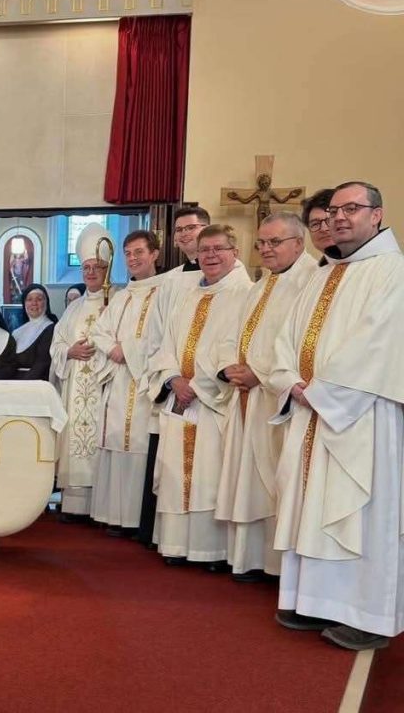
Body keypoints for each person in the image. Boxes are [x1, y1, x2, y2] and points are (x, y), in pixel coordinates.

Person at [270, 181, 404, 651]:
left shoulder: (392, 271)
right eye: (334, 210)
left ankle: (368, 614)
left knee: (360, 508)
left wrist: (323, 392)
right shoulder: (323, 273)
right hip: (312, 408)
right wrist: (289, 380)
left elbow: (378, 343)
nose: (340, 217)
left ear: (376, 214)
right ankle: (315, 600)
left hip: (362, 413)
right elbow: (286, 337)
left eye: (352, 208)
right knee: (312, 503)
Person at [215, 213, 317, 581]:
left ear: (298, 243)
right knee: (249, 477)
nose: (266, 249)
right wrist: (229, 367)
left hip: (278, 398)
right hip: (247, 396)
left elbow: (300, 343)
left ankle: (276, 565)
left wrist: (259, 373)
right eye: (261, 243)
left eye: (275, 242)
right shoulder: (261, 284)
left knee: (276, 478)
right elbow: (233, 333)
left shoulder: (310, 282)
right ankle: (250, 558)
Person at [148, 224, 252, 570]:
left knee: (211, 475)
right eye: (205, 249)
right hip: (180, 399)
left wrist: (199, 385)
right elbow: (166, 344)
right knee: (175, 473)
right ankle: (175, 544)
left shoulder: (244, 294)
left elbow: (237, 349)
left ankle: (211, 551)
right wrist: (173, 378)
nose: (210, 255)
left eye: (218, 249)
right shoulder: (189, 294)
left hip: (215, 402)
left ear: (234, 252)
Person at [136, 205, 211, 547]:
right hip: (173, 386)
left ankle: (203, 544)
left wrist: (197, 381)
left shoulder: (235, 280)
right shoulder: (171, 280)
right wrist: (171, 378)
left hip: (209, 391)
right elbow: (156, 337)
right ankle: (166, 537)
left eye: (191, 228)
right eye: (179, 230)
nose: (184, 234)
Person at [90, 230, 165, 536]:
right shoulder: (121, 296)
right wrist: (112, 349)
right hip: (116, 380)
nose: (133, 259)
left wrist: (128, 351)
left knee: (136, 446)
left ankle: (133, 519)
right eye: (128, 254)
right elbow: (99, 331)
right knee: (113, 441)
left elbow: (163, 336)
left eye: (139, 252)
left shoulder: (165, 292)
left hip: (142, 381)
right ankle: (111, 515)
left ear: (154, 254)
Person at [50, 223, 113, 520]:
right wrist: (68, 352)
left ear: (107, 269)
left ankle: (100, 507)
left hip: (103, 385)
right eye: (86, 267)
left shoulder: (116, 301)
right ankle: (74, 505)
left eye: (96, 267)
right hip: (76, 384)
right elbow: (56, 344)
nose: (90, 272)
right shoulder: (73, 308)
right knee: (75, 440)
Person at [12, 284, 57, 381]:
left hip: (36, 384)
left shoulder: (51, 329)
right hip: (15, 383)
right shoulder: (16, 332)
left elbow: (42, 363)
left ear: (46, 303)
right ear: (24, 304)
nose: (34, 303)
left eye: (39, 299)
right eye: (29, 299)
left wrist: (22, 385)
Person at [301, 189, 334, 265]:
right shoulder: (316, 270)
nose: (323, 229)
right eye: (315, 224)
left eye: (329, 221)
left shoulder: (362, 266)